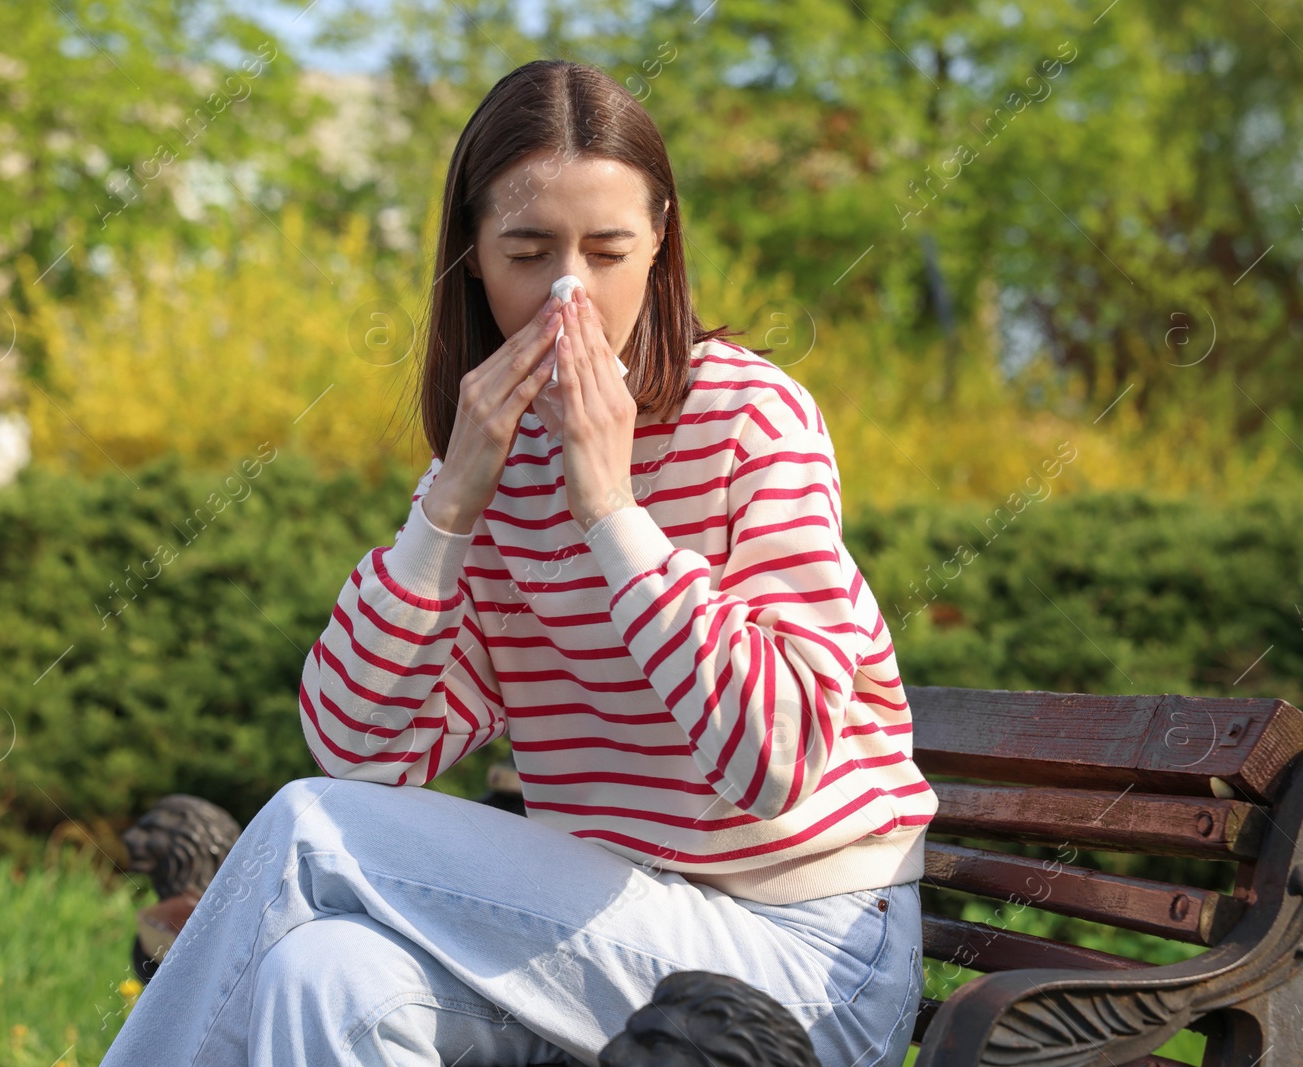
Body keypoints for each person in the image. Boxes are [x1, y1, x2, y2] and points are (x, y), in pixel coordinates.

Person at [102, 57, 939, 1067]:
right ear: (472, 254)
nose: (568, 294)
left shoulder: (752, 418)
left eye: (608, 249)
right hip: (588, 940)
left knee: (306, 826)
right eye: (529, 252)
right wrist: (450, 499)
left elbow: (778, 760)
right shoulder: (490, 468)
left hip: (794, 962)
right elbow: (362, 748)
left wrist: (611, 510)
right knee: (322, 977)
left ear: (662, 239)